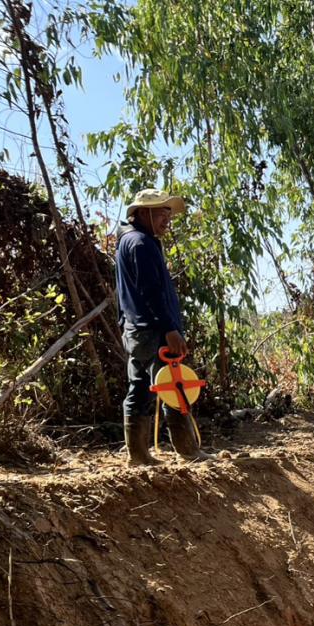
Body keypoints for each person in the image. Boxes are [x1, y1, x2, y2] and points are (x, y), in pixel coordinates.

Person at [116, 189, 204, 465]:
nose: (168, 219)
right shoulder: (141, 244)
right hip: (152, 330)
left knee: (142, 387)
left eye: (169, 213)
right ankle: (187, 452)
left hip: (137, 329)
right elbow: (150, 292)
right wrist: (169, 328)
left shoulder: (131, 241)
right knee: (172, 386)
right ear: (143, 213)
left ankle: (140, 455)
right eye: (162, 213)